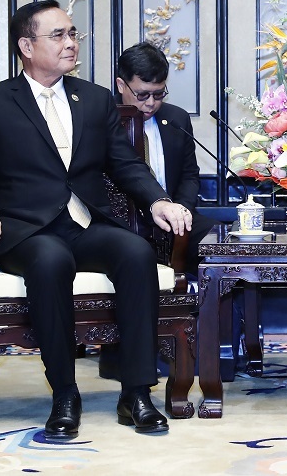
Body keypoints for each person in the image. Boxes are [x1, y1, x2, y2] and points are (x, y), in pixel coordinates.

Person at [0, 0, 192, 439]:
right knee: (51, 260)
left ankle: (136, 393)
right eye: (58, 35)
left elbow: (125, 164)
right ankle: (65, 393)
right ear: (27, 46)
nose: (71, 43)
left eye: (72, 33)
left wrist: (158, 200)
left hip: (84, 224)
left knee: (136, 252)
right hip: (26, 230)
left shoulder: (94, 99)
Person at [97, 41, 217, 381]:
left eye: (158, 94)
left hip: (174, 220)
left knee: (221, 248)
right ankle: (126, 357)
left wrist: (182, 210)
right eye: (142, 94)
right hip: (121, 223)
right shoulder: (101, 119)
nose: (151, 103)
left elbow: (190, 175)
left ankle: (213, 351)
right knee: (130, 254)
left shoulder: (175, 118)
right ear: (121, 85)